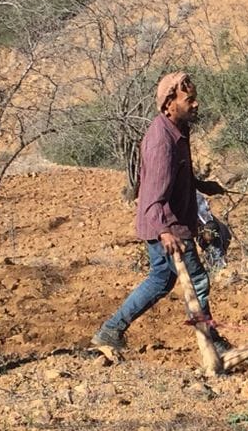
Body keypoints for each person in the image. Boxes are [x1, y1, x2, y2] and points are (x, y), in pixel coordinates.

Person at [92, 72, 227, 358]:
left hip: (169, 223)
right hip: (167, 226)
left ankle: (111, 330)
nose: (196, 104)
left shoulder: (177, 130)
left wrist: (203, 185)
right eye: (188, 99)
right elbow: (153, 197)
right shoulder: (161, 142)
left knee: (160, 280)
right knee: (198, 280)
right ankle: (212, 343)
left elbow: (178, 176)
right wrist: (165, 232)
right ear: (169, 104)